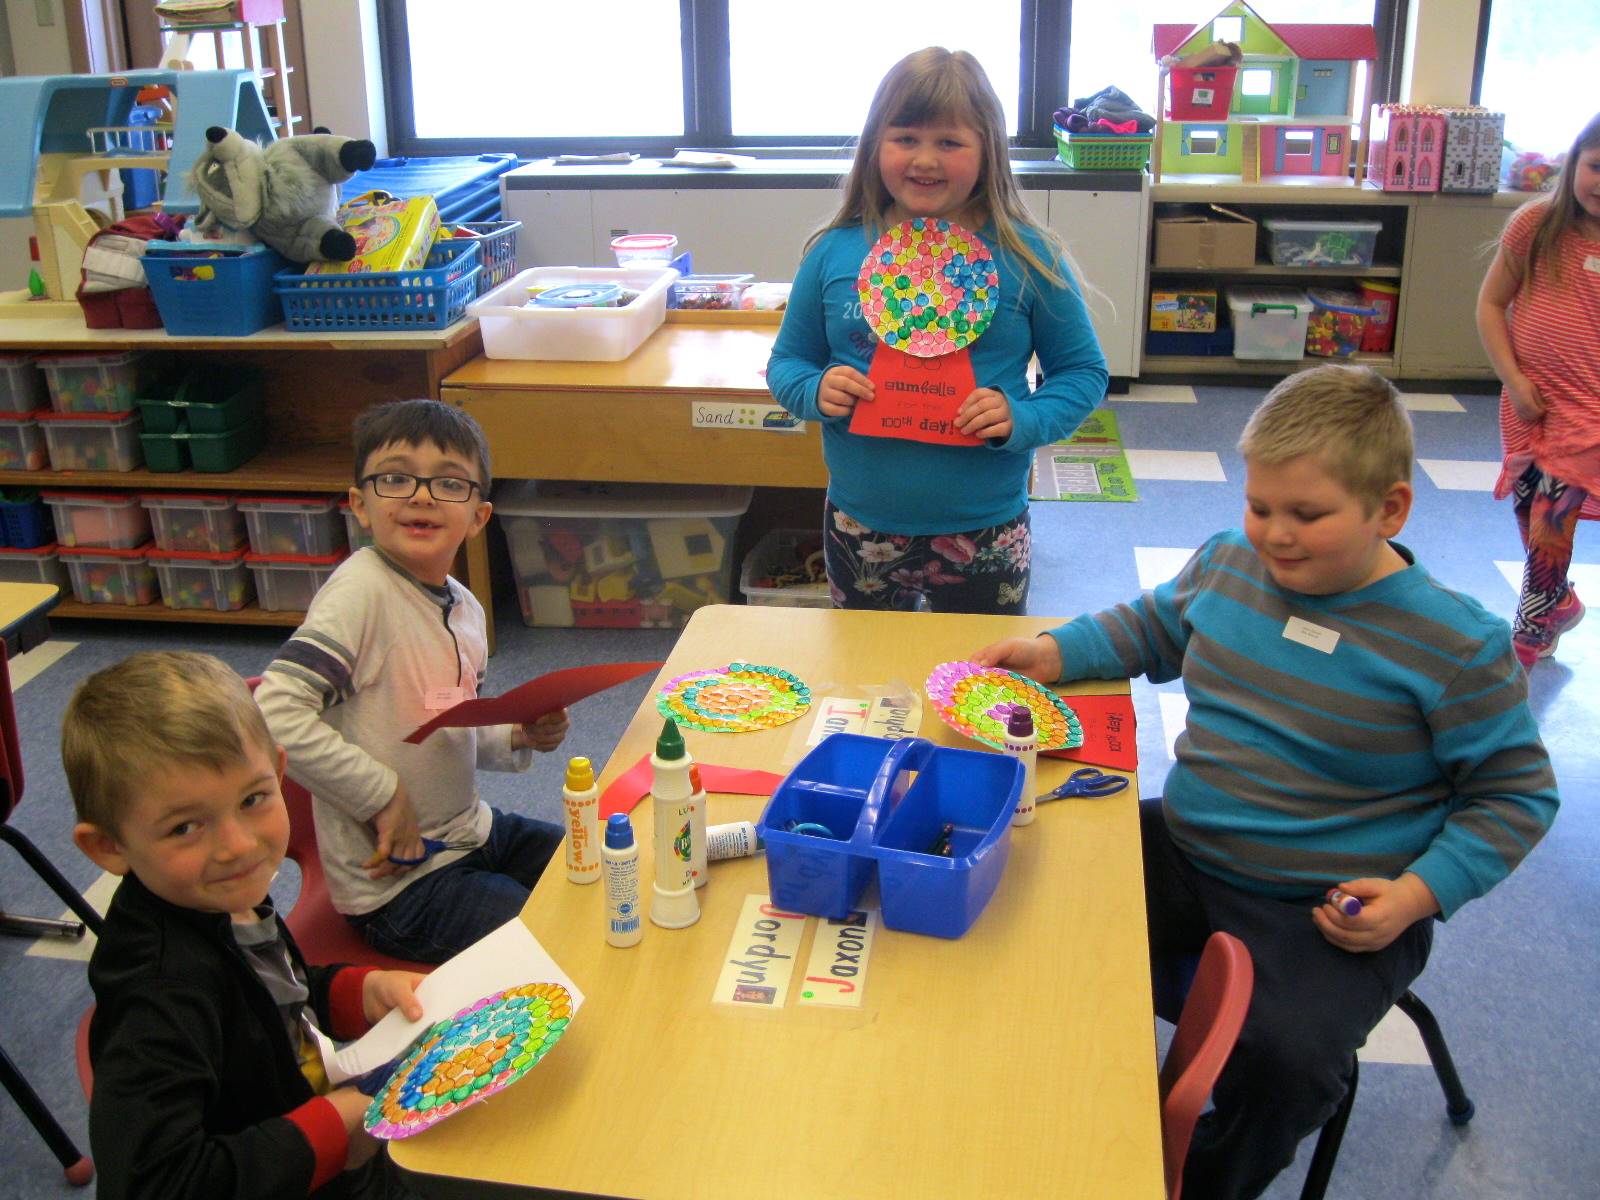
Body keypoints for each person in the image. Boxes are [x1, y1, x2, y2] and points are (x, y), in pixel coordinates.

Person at [975, 365, 1558, 1200]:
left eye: (1307, 515)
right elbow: (1152, 625)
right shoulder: (1230, 563)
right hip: (1184, 845)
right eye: (1259, 508)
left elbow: (1515, 797)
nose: (1274, 535)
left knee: (1290, 1067)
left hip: (1326, 909)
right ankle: (1036, 1098)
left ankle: (1197, 1181)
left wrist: (1417, 895)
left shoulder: (1454, 646)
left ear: (1389, 509)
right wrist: (1056, 650)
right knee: (1021, 877)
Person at [64, 651, 428, 1200]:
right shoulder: (159, 994)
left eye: (253, 799)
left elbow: (276, 996)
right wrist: (341, 1118)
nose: (238, 845)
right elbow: (153, 1184)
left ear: (281, 776)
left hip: (317, 1129)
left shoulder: (213, 899)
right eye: (185, 826)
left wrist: (362, 990)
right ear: (109, 846)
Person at [766, 46, 1108, 615]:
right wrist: (814, 392)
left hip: (987, 525)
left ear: (988, 151)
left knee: (981, 680)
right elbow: (787, 363)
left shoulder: (1028, 255)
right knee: (866, 674)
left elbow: (1083, 372)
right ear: (876, 144)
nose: (925, 159)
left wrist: (1023, 418)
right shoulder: (834, 252)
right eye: (906, 137)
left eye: (949, 142)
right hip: (861, 521)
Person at [254, 398, 570, 964]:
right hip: (399, 887)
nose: (421, 496)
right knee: (552, 939)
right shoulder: (361, 595)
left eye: (450, 484)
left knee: (590, 869)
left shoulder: (465, 608)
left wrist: (513, 735)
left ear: (478, 517)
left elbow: (442, 714)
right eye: (396, 479)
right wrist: (382, 795)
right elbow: (272, 715)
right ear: (360, 505)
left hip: (468, 831)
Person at [1476, 111, 1600, 669]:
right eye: (1596, 167)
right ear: (1574, 162)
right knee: (1531, 509)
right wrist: (1514, 379)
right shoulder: (1534, 227)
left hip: (1590, 413)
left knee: (1555, 513)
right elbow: (1491, 304)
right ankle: (1557, 599)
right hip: (1528, 403)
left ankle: (1528, 631)